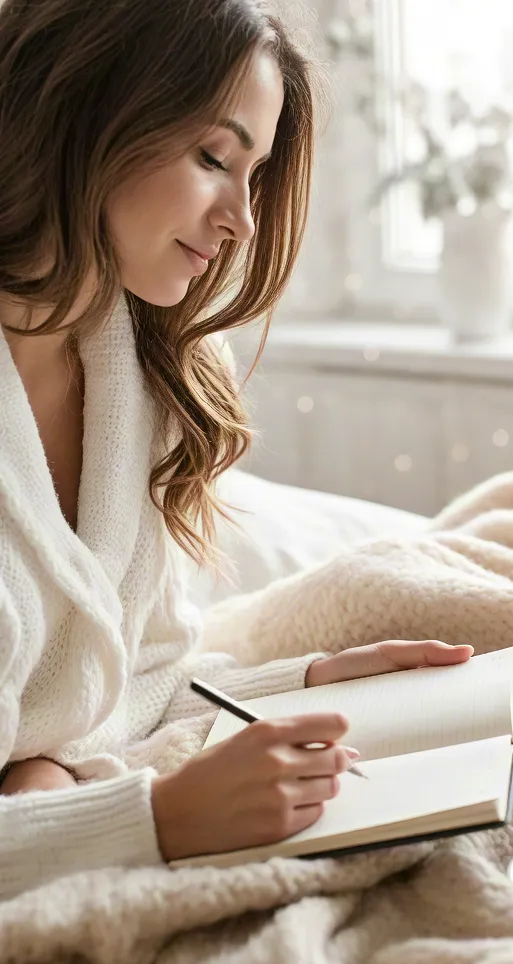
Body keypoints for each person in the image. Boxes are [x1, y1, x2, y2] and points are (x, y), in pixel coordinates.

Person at [0, 0, 472, 899]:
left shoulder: (140, 374)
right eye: (214, 158)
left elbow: (126, 680)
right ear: (84, 114)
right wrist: (155, 822)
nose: (242, 223)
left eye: (252, 175)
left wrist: (302, 687)